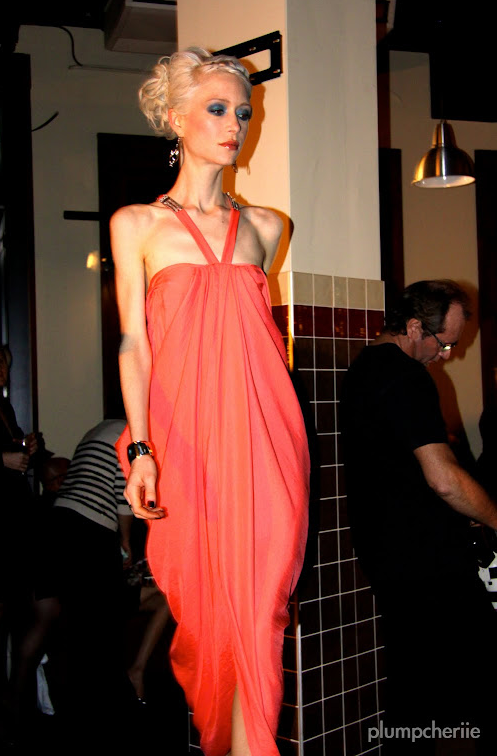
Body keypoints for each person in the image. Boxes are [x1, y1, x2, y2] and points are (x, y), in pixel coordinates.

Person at [111, 47, 310, 756]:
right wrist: (141, 447)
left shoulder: (268, 228)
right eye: (218, 109)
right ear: (176, 119)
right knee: (201, 617)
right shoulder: (138, 224)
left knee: (261, 609)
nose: (235, 126)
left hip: (265, 444)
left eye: (244, 113)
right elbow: (134, 344)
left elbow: (260, 343)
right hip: (184, 445)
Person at [340, 280, 497, 755]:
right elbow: (443, 480)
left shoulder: (363, 369)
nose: (446, 355)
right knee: (473, 674)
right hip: (426, 561)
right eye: (443, 343)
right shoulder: (406, 377)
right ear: (413, 327)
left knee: (416, 685)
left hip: (387, 552)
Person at [0, 338, 59, 747]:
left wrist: (28, 449)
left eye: (1, 361)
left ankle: (13, 697)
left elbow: (11, 463)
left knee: (39, 606)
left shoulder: (4, 408)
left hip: (14, 522)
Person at [48, 419, 139, 746]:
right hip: (90, 527)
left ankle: (76, 709)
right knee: (103, 622)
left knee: (78, 622)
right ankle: (109, 710)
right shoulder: (132, 434)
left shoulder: (100, 429)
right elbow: (123, 492)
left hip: (61, 520)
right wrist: (125, 541)